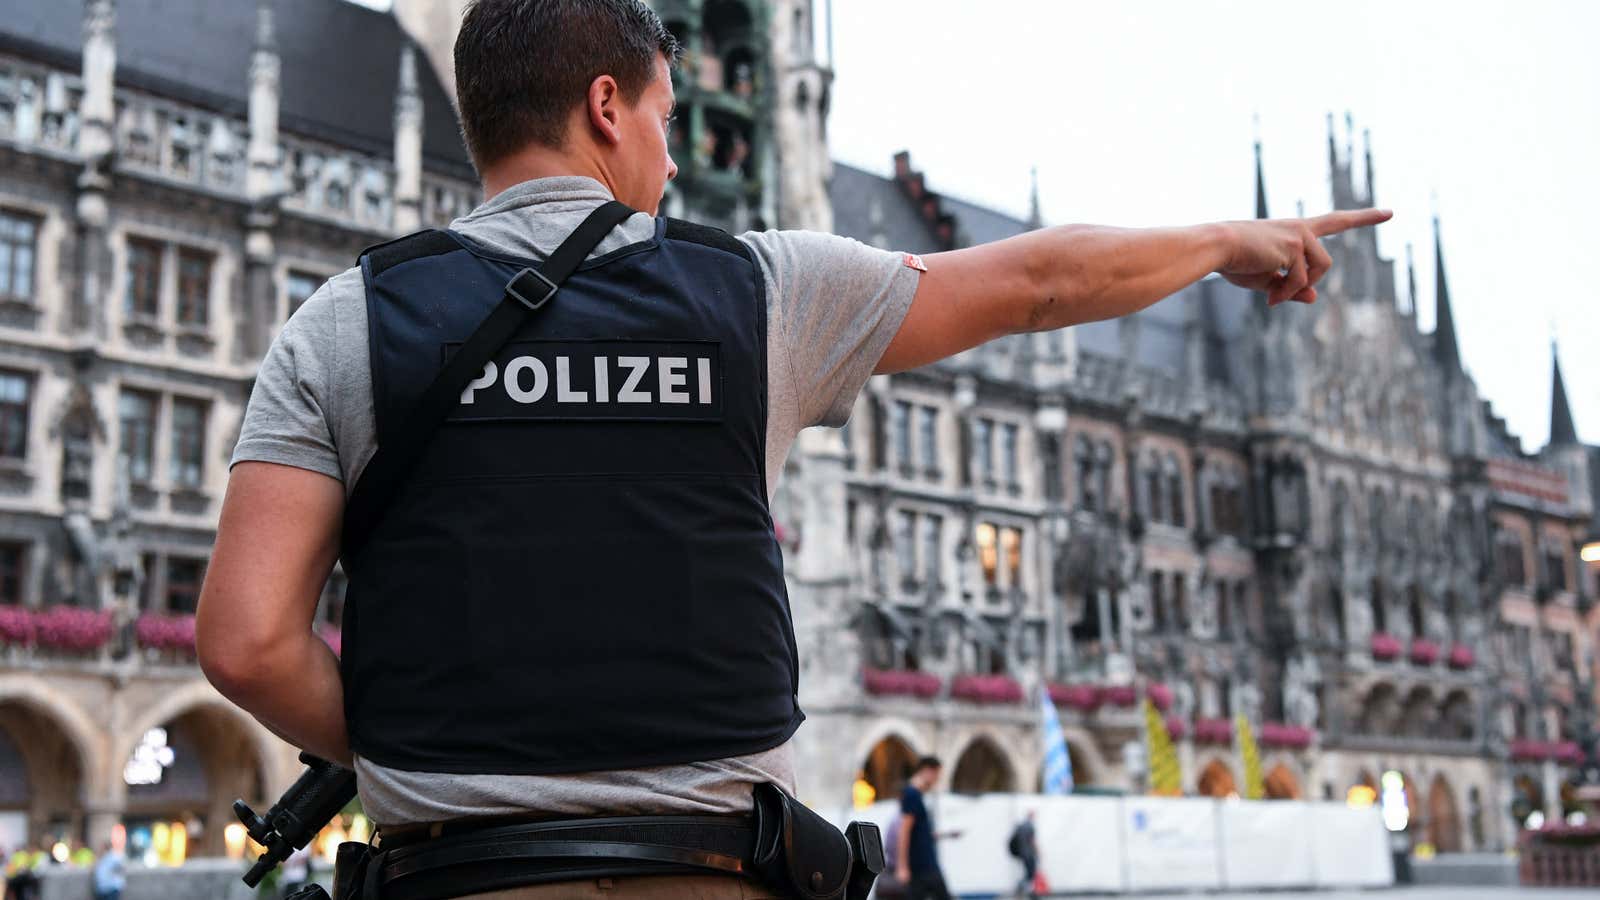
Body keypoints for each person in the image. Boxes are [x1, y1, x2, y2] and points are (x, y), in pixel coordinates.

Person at [194, 1, 1387, 897]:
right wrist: (1233, 239)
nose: (671, 157)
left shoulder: (347, 318)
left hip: (460, 875)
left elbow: (246, 641)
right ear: (607, 108)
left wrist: (419, 742)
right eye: (664, 119)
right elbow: (1038, 279)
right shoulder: (758, 293)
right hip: (717, 870)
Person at [895, 757, 962, 900]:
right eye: (937, 775)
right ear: (927, 771)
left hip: (924, 865)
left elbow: (918, 833)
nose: (937, 780)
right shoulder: (912, 794)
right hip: (922, 866)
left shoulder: (916, 795)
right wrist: (902, 867)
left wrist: (945, 835)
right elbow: (904, 831)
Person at [1007, 810, 1039, 900]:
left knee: (1028, 874)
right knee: (1030, 874)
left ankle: (1023, 890)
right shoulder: (1030, 827)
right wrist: (1037, 852)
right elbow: (1032, 841)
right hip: (1029, 854)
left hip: (1022, 854)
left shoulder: (1020, 827)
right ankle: (1026, 891)